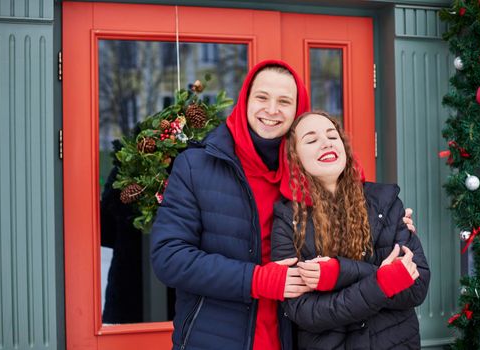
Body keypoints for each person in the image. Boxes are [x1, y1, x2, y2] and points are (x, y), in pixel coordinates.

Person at [151, 60, 416, 350]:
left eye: (284, 101)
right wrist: (255, 279)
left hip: (292, 336)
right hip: (215, 336)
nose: (272, 110)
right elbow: (169, 257)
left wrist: (389, 216)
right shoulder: (196, 166)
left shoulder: (306, 166)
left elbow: (353, 196)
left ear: (297, 110)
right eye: (262, 98)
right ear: (245, 101)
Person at [271, 111, 430, 349]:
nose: (326, 142)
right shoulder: (288, 220)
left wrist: (338, 273)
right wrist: (382, 282)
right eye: (312, 140)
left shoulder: (385, 202)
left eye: (332, 136)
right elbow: (305, 312)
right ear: (294, 158)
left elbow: (416, 287)